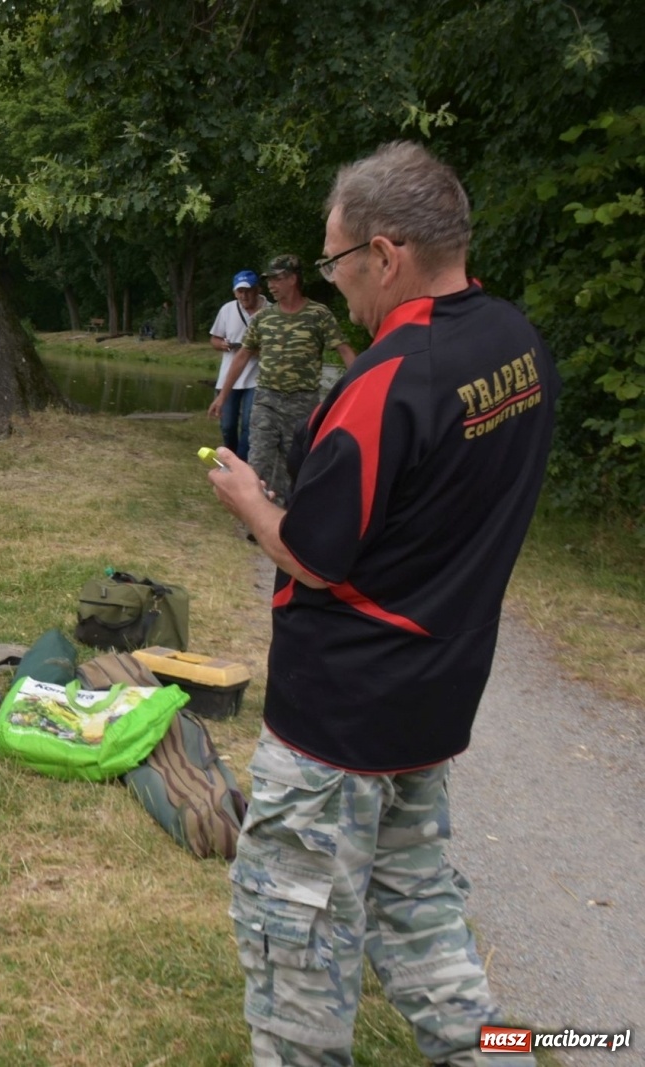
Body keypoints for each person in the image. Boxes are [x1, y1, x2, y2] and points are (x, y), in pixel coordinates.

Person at [206, 141, 557, 1066]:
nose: (338, 283)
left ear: (387, 255)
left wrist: (251, 503)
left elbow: (316, 557)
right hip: (432, 700)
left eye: (337, 262)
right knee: (419, 911)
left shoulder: (388, 378)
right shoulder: (516, 345)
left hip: (337, 721)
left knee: (296, 945)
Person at [209, 254, 355, 505]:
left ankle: (285, 512)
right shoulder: (263, 318)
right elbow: (242, 356)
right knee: (258, 460)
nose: (271, 285)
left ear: (293, 279)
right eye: (269, 280)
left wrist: (360, 388)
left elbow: (344, 350)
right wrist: (223, 396)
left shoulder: (318, 314)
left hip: (302, 403)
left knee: (293, 463)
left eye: (276, 279)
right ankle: (251, 515)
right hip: (266, 399)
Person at [207, 270, 266, 462]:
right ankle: (230, 457)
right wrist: (222, 345)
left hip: (257, 377)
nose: (244, 296)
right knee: (227, 424)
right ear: (234, 292)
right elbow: (214, 339)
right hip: (230, 377)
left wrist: (253, 350)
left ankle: (240, 462)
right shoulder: (227, 310)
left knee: (249, 423)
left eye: (248, 291)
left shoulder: (271, 311)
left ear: (257, 289)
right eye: (240, 291)